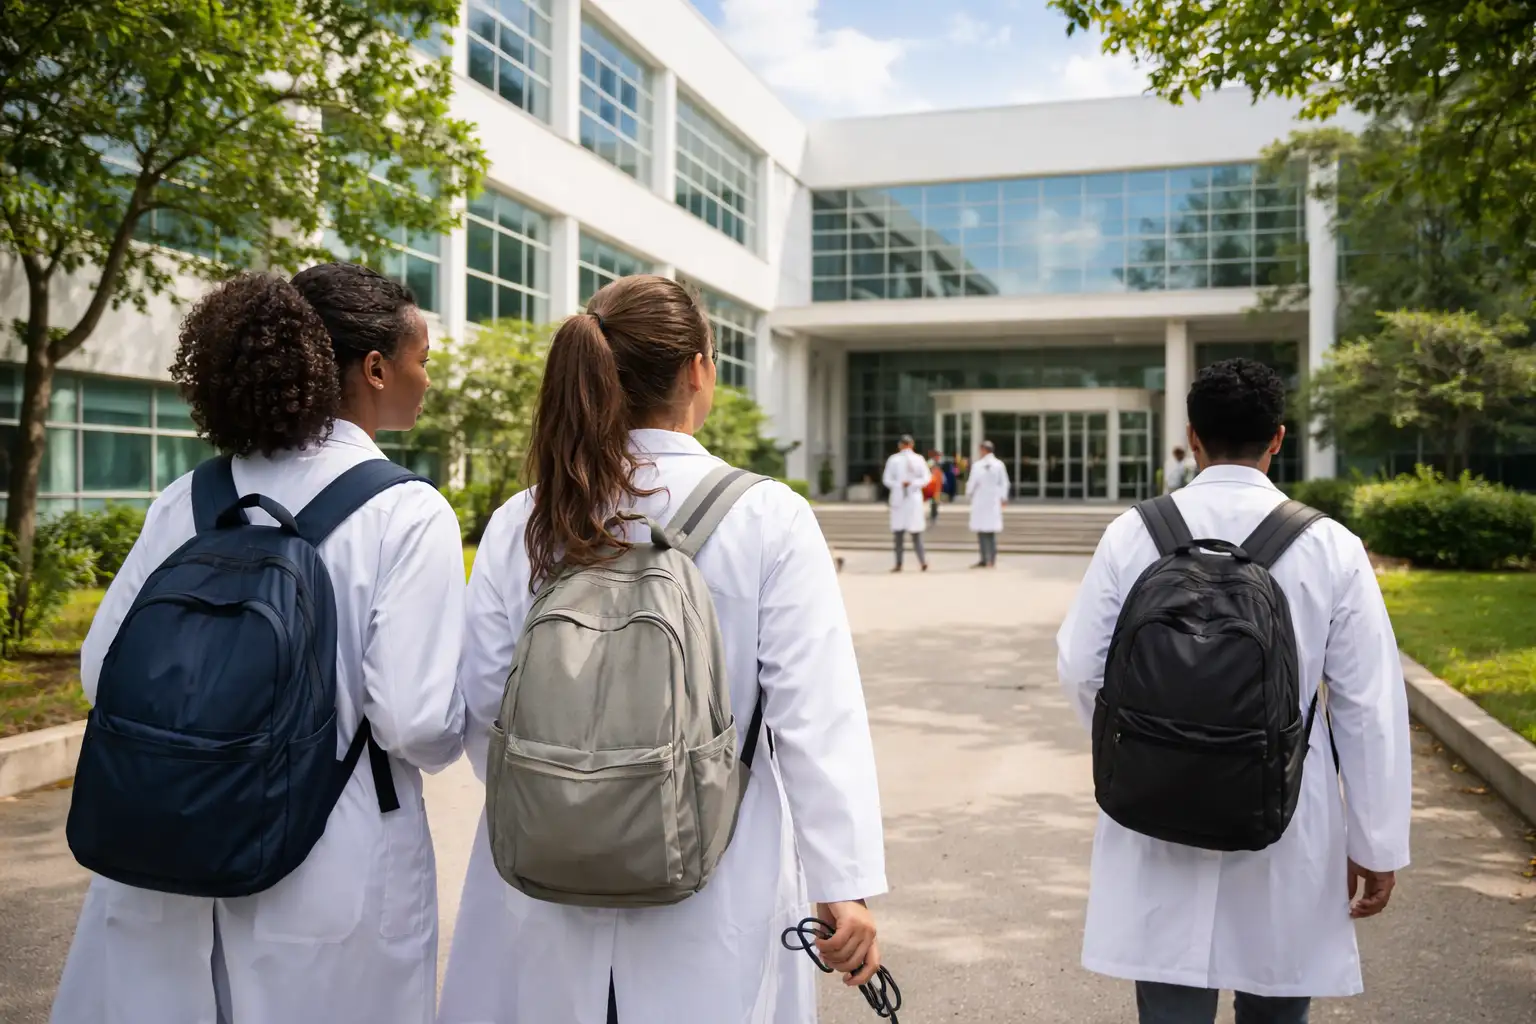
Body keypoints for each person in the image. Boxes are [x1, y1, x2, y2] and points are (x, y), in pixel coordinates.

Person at [437, 275, 887, 1024]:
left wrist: (574, 797)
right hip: (711, 875)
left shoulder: (528, 519)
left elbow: (486, 700)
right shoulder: (767, 517)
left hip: (546, 875)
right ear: (698, 371)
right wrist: (842, 880)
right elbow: (815, 715)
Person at [50, 265, 467, 1024]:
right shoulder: (407, 511)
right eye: (423, 359)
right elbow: (414, 720)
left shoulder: (190, 496)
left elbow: (98, 671)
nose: (428, 378)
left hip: (163, 845)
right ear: (376, 369)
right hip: (326, 856)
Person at [1056, 358, 1411, 1023]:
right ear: (1278, 438)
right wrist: (1376, 842)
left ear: (1192, 436)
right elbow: (1369, 707)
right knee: (1277, 991)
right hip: (1282, 812)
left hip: (1157, 808)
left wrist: (1146, 748)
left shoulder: (1134, 532)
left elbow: (1081, 667)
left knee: (1170, 999)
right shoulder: (1330, 546)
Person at [882, 434, 930, 572]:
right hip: (899, 498)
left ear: (912, 445)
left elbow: (926, 478)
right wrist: (899, 484)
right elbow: (886, 479)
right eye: (904, 444)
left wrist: (913, 483)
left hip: (913, 497)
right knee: (898, 534)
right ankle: (898, 563)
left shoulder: (918, 459)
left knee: (916, 532)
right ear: (900, 445)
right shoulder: (894, 460)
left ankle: (922, 561)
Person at [966, 440, 1010, 568]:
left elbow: (972, 483)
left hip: (981, 500)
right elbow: (1004, 482)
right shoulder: (999, 465)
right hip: (993, 500)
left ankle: (984, 558)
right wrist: (1003, 498)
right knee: (990, 532)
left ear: (983, 450)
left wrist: (969, 493)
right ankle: (991, 559)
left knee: (982, 531)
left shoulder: (978, 465)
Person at [924, 448, 945, 522]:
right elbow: (926, 470)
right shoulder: (931, 462)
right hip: (933, 483)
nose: (939, 457)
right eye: (938, 456)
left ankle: (934, 513)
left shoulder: (937, 463)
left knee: (936, 499)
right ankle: (933, 514)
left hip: (937, 483)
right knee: (934, 500)